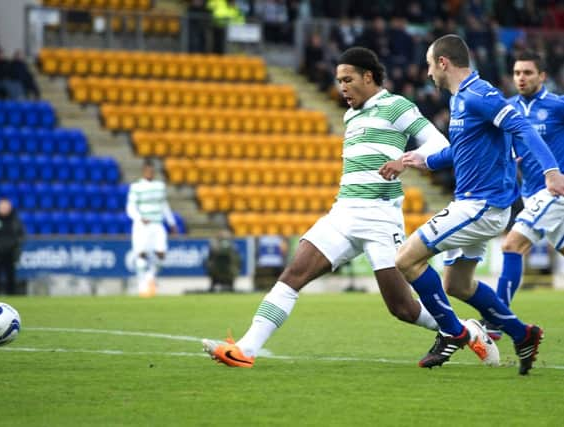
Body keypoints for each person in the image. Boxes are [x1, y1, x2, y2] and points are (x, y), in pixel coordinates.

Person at [203, 46, 497, 368]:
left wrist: (405, 161)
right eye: (338, 80)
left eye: (347, 79)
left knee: (402, 308)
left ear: (368, 77)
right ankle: (246, 349)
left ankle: (465, 331)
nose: (341, 87)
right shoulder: (351, 114)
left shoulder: (396, 106)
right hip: (343, 214)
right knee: (292, 275)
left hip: (380, 218)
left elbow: (440, 144)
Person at [394, 34, 564, 375]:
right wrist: (425, 160)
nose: (428, 74)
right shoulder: (460, 100)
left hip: (482, 206)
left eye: (430, 65)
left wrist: (551, 170)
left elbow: (521, 126)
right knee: (456, 284)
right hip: (473, 204)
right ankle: (523, 334)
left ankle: (452, 333)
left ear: (443, 63)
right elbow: (462, 150)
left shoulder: (479, 94)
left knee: (406, 259)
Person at [480, 51, 564, 339]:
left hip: (554, 192)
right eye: (517, 73)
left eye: (528, 72)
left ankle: (496, 319)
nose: (521, 78)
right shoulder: (508, 109)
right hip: (530, 195)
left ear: (542, 76)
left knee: (512, 245)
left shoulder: (556, 106)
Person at [126, 159, 177, 297]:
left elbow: (164, 205)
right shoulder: (136, 187)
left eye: (152, 171)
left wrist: (171, 222)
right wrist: (139, 217)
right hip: (142, 225)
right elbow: (130, 207)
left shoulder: (159, 186)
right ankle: (142, 285)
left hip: (157, 224)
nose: (150, 173)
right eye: (148, 171)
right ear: (143, 171)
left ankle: (150, 276)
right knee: (141, 253)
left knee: (161, 253)